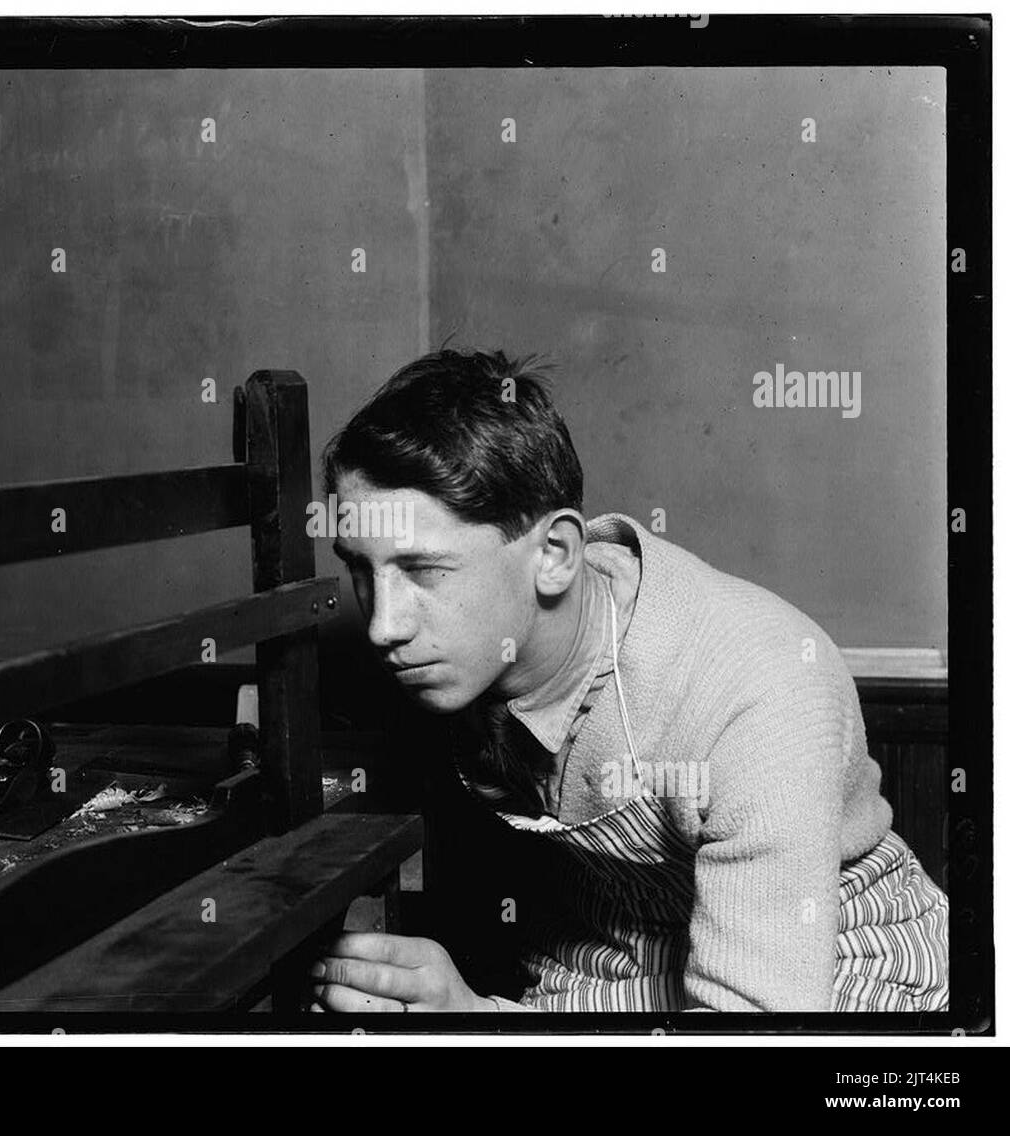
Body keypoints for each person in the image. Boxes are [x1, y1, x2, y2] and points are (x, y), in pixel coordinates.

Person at [308, 348, 947, 1013]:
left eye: (424, 571)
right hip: (601, 965)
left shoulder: (759, 687)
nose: (383, 626)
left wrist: (474, 1019)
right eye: (362, 569)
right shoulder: (466, 657)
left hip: (818, 973)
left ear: (554, 555)